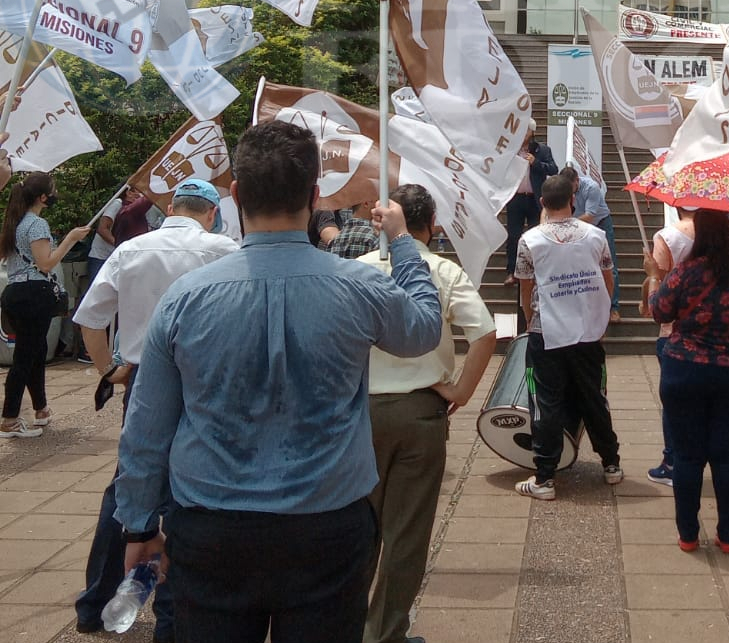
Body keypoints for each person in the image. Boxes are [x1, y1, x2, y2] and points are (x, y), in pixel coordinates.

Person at [114, 120, 443, 643]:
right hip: (328, 527)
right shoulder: (359, 287)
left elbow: (146, 427)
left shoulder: (185, 298)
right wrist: (402, 243)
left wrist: (137, 525)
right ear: (315, 196)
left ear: (237, 194)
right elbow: (423, 329)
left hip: (213, 528)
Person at [72, 178, 240, 640]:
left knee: (130, 486)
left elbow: (90, 319)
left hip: (143, 377)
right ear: (211, 212)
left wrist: (110, 370)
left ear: (171, 208)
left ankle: (95, 602)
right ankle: (171, 613)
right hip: (203, 383)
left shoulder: (130, 250)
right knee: (189, 489)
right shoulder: (225, 249)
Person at [359, 183, 496, 643]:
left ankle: (345, 624)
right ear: (432, 225)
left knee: (357, 527)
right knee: (407, 534)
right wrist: (461, 391)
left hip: (360, 414)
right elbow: (485, 333)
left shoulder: (355, 271)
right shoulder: (442, 270)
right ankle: (385, 633)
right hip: (422, 410)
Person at [650, 209, 729, 553]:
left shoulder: (684, 273)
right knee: (727, 457)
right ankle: (728, 536)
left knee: (687, 457)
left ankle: (688, 534)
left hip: (684, 369)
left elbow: (660, 312)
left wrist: (654, 277)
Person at [514, 172, 621, 500]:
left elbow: (525, 288)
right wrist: (601, 318)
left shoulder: (530, 239)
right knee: (594, 397)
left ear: (542, 202)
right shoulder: (595, 235)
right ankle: (611, 464)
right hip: (587, 330)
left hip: (547, 332)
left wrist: (531, 320)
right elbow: (608, 281)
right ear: (573, 200)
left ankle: (545, 477)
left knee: (544, 403)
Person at [0, 172, 90, 438]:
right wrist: (70, 239)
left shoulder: (13, 223)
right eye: (53, 189)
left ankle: (41, 409)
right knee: (25, 359)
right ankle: (10, 418)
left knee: (36, 352)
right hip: (33, 294)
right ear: (42, 197)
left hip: (16, 293)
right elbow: (46, 263)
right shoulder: (36, 224)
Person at [643, 208, 696, 486]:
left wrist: (651, 278)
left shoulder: (668, 237)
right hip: (713, 333)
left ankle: (673, 460)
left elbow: (661, 297)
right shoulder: (727, 239)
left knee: (675, 403)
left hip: (674, 331)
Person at [560, 164, 621, 322]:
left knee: (609, 264)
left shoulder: (591, 188)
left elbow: (590, 216)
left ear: (577, 181)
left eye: (571, 187)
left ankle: (613, 307)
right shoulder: (563, 189)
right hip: (577, 225)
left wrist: (565, 222)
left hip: (600, 222)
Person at [503, 124, 556, 286]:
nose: (523, 133)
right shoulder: (510, 149)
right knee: (513, 236)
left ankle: (535, 271)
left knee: (535, 236)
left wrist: (536, 163)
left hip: (535, 199)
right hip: (516, 198)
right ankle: (512, 272)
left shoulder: (542, 150)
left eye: (526, 129)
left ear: (532, 131)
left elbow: (554, 169)